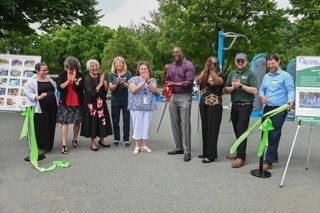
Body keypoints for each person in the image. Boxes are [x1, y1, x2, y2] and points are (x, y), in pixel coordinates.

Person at [259, 54, 295, 170]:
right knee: (266, 132)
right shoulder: (266, 77)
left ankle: (268, 162)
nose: (271, 66)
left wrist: (290, 101)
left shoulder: (286, 76)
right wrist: (262, 96)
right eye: (269, 64)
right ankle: (274, 156)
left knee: (274, 133)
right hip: (268, 108)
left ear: (278, 62)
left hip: (279, 109)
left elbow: (290, 90)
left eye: (273, 63)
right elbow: (261, 90)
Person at [224, 53, 258, 168]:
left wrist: (241, 86)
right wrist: (233, 87)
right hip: (234, 105)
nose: (240, 63)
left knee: (241, 130)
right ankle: (239, 152)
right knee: (236, 130)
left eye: (242, 61)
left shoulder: (250, 74)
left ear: (246, 61)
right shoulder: (232, 74)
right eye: (238, 60)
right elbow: (226, 89)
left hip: (246, 105)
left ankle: (241, 157)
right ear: (235, 61)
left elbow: (254, 90)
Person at [165, 47, 195, 162]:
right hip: (173, 96)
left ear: (182, 53)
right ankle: (179, 147)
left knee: (185, 124)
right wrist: (165, 71)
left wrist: (175, 83)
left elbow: (189, 82)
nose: (175, 54)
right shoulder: (171, 66)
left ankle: (187, 151)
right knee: (175, 123)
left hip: (185, 96)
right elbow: (166, 81)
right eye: (173, 52)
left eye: (177, 52)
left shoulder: (188, 65)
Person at [24, 62, 58, 160]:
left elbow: (54, 90)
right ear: (37, 71)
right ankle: (41, 146)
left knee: (51, 124)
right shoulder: (32, 81)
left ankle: (49, 146)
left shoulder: (50, 79)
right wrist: (37, 97)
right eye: (43, 70)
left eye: (46, 70)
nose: (45, 72)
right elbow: (28, 92)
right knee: (42, 126)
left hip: (52, 107)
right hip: (40, 107)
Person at [196, 56, 226, 163]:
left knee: (213, 130)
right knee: (205, 128)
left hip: (215, 105)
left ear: (218, 65)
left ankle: (212, 155)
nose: (212, 65)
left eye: (215, 63)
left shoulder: (222, 74)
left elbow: (218, 82)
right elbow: (198, 82)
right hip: (203, 104)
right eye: (210, 63)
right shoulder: (204, 73)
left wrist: (212, 70)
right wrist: (205, 70)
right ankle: (206, 152)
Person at [80, 59, 113, 151]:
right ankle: (93, 142)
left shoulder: (100, 76)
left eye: (96, 65)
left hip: (101, 103)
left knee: (102, 121)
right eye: (92, 66)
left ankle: (102, 139)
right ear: (89, 68)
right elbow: (90, 93)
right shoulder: (87, 78)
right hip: (91, 104)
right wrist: (100, 84)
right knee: (93, 122)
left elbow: (104, 93)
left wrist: (105, 86)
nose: (95, 68)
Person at [128, 61, 157, 155]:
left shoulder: (152, 80)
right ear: (138, 70)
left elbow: (153, 90)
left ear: (148, 70)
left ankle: (144, 145)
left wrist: (148, 81)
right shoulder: (133, 79)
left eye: (145, 69)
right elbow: (133, 90)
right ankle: (137, 146)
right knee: (137, 126)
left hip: (148, 107)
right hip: (136, 106)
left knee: (146, 126)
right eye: (142, 69)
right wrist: (143, 81)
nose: (143, 70)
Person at [56, 56, 84, 154]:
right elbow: (59, 87)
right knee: (64, 122)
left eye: (71, 68)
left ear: (76, 67)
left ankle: (75, 139)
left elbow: (82, 88)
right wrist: (68, 80)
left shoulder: (80, 75)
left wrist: (76, 80)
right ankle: (64, 143)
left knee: (77, 121)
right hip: (65, 102)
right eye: (67, 67)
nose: (69, 69)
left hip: (77, 102)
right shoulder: (62, 75)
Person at [108, 56, 132, 147]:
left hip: (126, 100)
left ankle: (126, 139)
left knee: (126, 120)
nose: (118, 64)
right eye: (116, 63)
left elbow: (130, 86)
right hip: (115, 100)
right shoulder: (111, 75)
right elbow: (111, 88)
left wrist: (122, 82)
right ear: (114, 65)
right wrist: (117, 83)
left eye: (120, 63)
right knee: (115, 120)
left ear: (123, 64)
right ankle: (116, 138)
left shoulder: (128, 74)